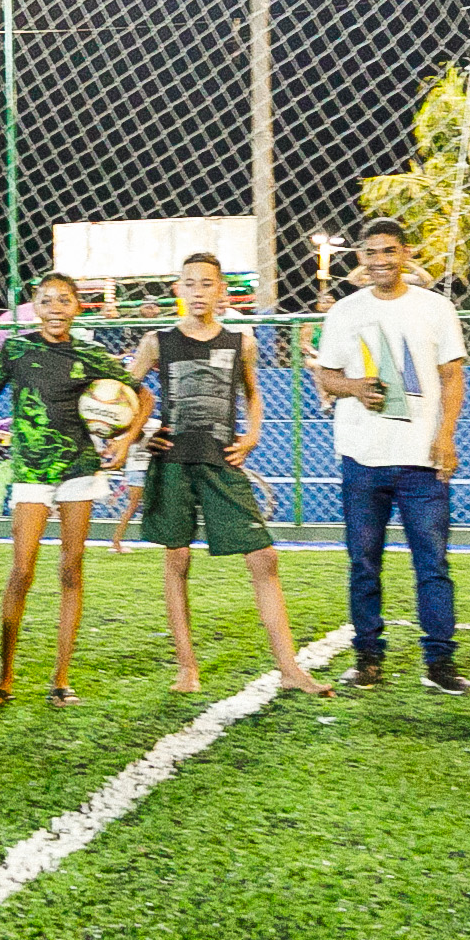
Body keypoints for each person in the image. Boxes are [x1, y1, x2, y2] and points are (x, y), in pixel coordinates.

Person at [120, 252, 324, 698]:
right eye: (190, 283)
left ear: (221, 291)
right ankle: (187, 668)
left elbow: (252, 394)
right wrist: (143, 435)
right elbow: (124, 396)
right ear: (178, 289)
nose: (198, 292)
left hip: (221, 462)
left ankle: (290, 669)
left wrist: (252, 435)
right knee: (177, 561)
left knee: (264, 558)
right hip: (173, 463)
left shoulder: (240, 342)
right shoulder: (157, 342)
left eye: (207, 283)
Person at [311, 217, 470, 694]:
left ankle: (439, 662)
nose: (380, 260)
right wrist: (355, 388)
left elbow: (452, 377)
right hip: (362, 459)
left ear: (405, 254)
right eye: (371, 252)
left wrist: (446, 437)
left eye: (389, 251)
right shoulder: (344, 311)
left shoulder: (436, 308)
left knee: (433, 565)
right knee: (363, 563)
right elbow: (327, 377)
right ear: (360, 257)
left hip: (422, 461)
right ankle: (368, 659)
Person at [0, 272, 144, 707]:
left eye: (64, 300)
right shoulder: (16, 349)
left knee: (71, 569)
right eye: (47, 301)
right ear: (36, 307)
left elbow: (143, 396)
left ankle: (61, 679)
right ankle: (4, 678)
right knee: (21, 571)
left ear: (76, 308)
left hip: (79, 470)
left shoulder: (90, 354)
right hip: (31, 472)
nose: (55, 308)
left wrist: (125, 439)